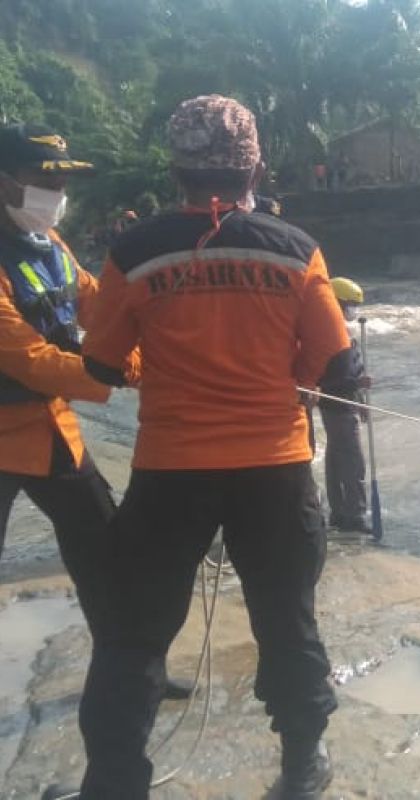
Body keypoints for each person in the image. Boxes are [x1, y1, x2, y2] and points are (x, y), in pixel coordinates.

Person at [78, 95, 348, 799]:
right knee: (287, 622)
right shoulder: (295, 249)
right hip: (275, 469)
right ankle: (300, 767)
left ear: (176, 173)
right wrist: (296, 377)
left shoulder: (132, 252)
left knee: (132, 635)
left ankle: (114, 783)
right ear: (255, 164)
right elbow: (336, 360)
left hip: (170, 472)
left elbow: (102, 367)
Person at [0, 126, 197, 715]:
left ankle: (135, 671)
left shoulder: (50, 245)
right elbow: (25, 357)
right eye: (45, 180)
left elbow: (98, 302)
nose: (57, 191)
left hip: (49, 435)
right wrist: (118, 376)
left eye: (62, 181)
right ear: (6, 182)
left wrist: (142, 355)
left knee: (109, 558)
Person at [319, 277, 370, 533]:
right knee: (352, 461)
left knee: (336, 458)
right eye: (350, 304)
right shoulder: (330, 334)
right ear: (336, 302)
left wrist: (360, 398)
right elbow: (330, 377)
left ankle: (339, 513)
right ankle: (355, 516)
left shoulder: (341, 331)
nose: (353, 310)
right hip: (337, 405)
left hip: (342, 403)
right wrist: (356, 383)